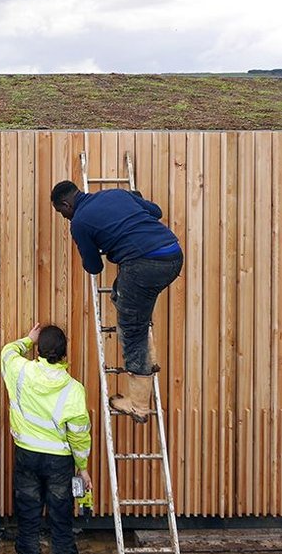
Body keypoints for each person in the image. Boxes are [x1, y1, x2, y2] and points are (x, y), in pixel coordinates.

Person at [51, 179, 183, 423]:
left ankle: (139, 406)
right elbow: (156, 212)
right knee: (121, 296)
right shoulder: (117, 194)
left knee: (132, 330)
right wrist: (133, 200)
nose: (64, 217)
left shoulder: (79, 223)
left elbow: (93, 266)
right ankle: (148, 357)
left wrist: (99, 244)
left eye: (62, 212)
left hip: (144, 266)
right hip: (173, 255)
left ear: (66, 204)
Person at [1, 324, 91, 554]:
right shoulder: (73, 388)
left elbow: (7, 352)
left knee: (28, 515)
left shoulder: (20, 371)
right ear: (65, 355)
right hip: (60, 462)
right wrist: (82, 467)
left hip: (26, 454)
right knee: (61, 518)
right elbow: (79, 434)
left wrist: (27, 340)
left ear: (38, 350)